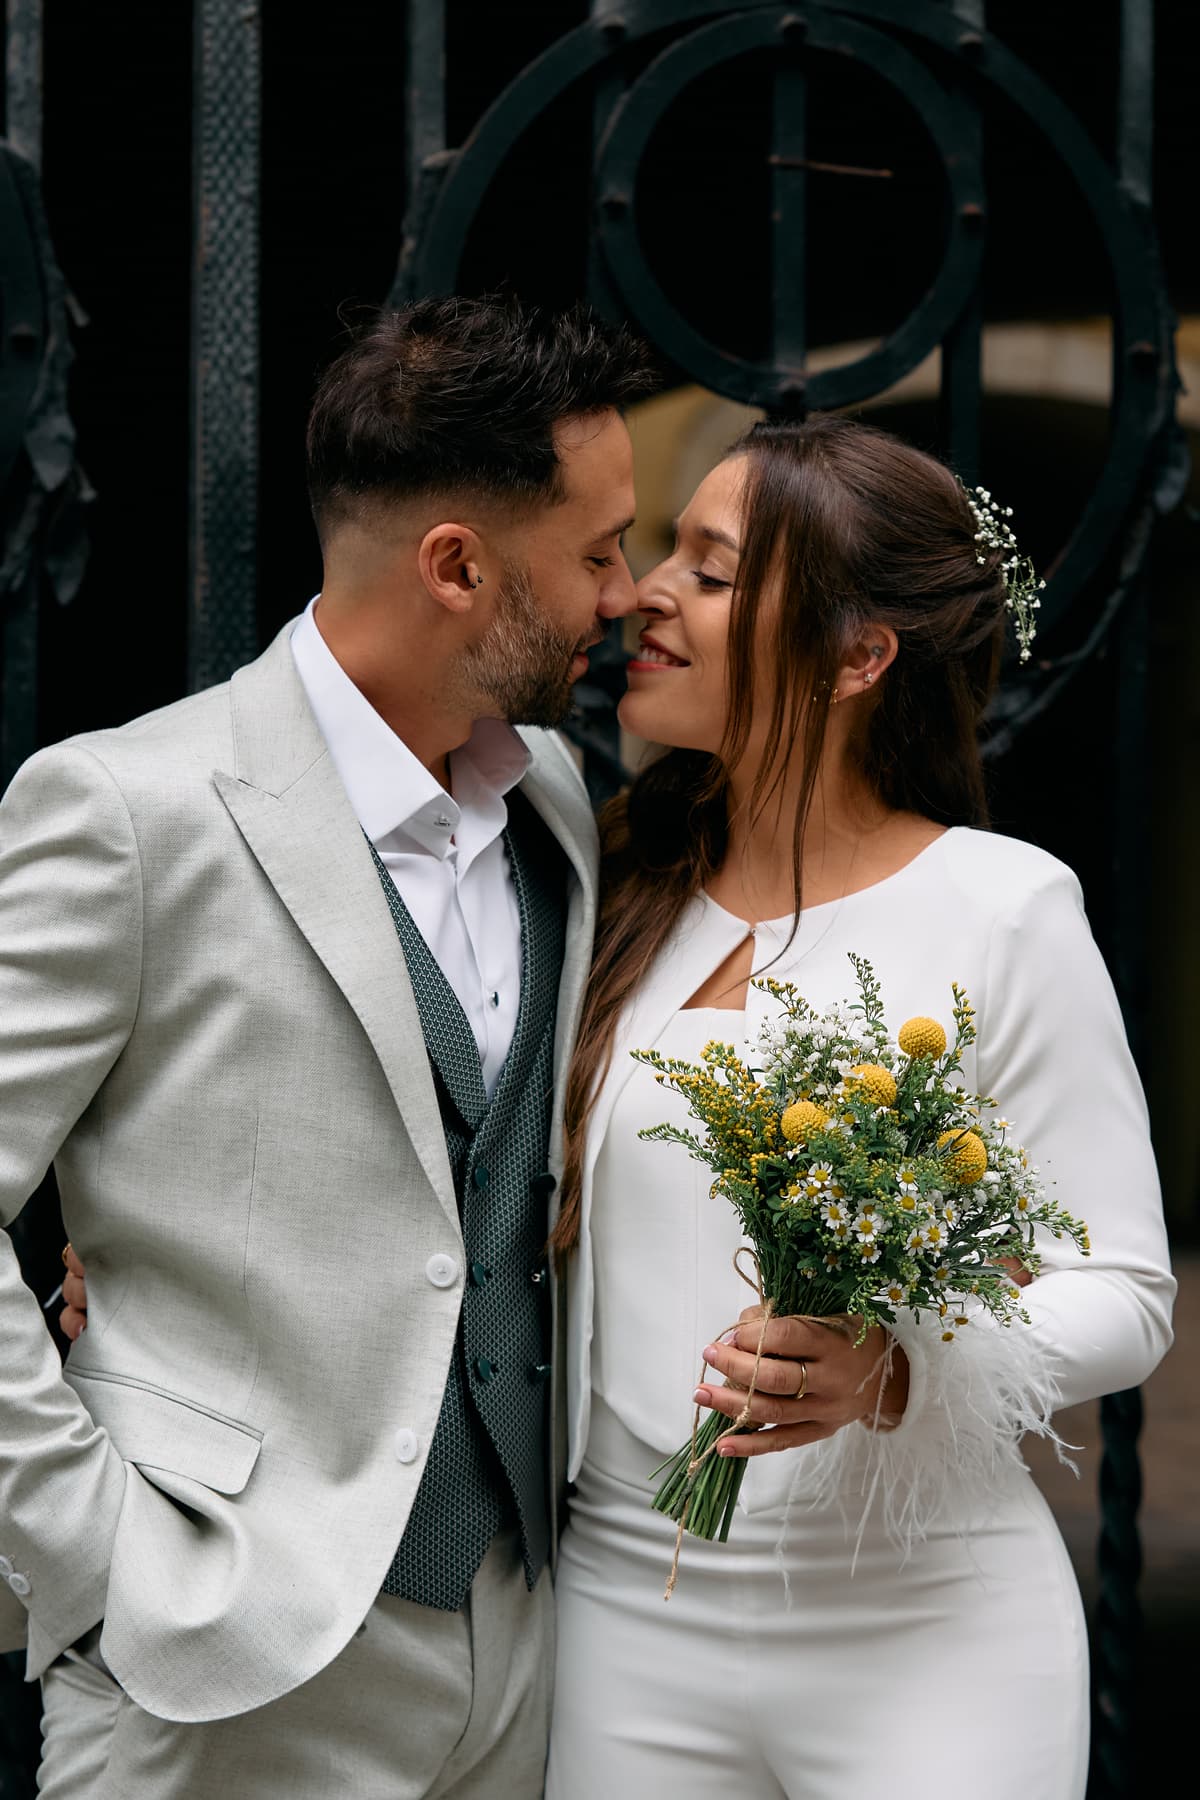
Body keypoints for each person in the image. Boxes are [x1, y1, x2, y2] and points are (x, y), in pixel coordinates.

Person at [0, 292, 650, 1798]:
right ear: (457, 565)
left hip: (520, 1650)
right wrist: (93, 1556)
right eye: (600, 552)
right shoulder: (129, 812)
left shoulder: (555, 799)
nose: (625, 595)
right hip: (222, 1661)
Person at [537, 415, 1175, 1799]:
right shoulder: (602, 882)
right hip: (625, 1605)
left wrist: (899, 1364)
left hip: (925, 1619)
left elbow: (1127, 1295)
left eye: (710, 572)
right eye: (664, 554)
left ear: (855, 656)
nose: (645, 592)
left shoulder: (1004, 907)